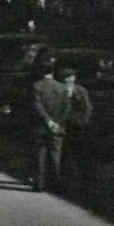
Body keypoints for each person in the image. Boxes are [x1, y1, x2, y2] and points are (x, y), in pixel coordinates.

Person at [30, 62, 69, 192]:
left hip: (40, 125)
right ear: (53, 73)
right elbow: (67, 108)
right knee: (55, 154)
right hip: (58, 125)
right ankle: (56, 183)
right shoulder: (62, 88)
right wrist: (58, 122)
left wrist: (47, 120)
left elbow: (37, 106)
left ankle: (39, 183)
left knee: (39, 155)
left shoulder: (37, 86)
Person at [61, 66, 94, 188]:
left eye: (69, 77)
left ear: (73, 78)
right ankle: (64, 178)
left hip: (77, 126)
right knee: (63, 153)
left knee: (79, 152)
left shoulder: (81, 91)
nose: (67, 80)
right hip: (62, 126)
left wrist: (82, 122)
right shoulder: (57, 90)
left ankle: (85, 178)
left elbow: (87, 108)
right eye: (64, 77)